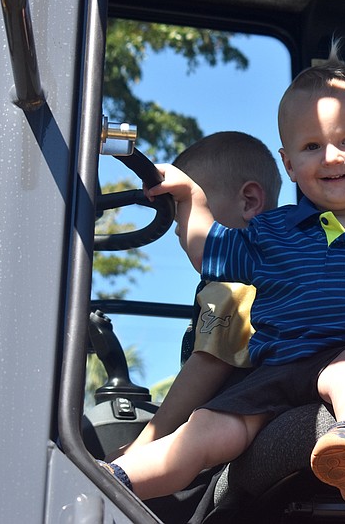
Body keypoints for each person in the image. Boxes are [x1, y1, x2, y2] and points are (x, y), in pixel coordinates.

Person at [104, 45, 345, 506]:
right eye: (312, 147)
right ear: (290, 164)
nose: (332, 157)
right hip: (282, 364)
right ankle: (110, 481)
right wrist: (191, 198)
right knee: (208, 426)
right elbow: (210, 249)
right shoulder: (272, 232)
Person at [113, 131, 282, 458]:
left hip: (229, 445)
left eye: (187, 210)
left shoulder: (237, 288)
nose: (178, 230)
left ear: (248, 202)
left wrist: (144, 446)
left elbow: (207, 366)